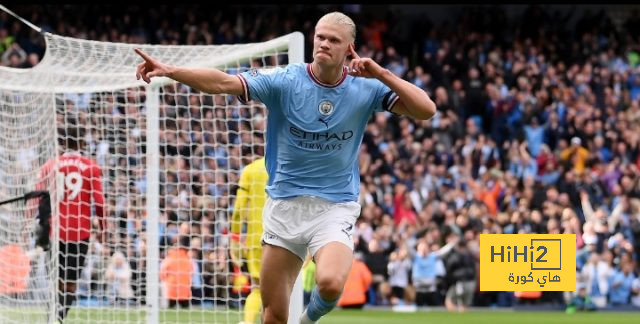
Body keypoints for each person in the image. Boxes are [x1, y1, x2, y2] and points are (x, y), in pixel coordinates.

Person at [134, 11, 436, 324]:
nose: (323, 44)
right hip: (284, 207)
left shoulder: (365, 88)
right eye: (320, 37)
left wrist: (382, 74)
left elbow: (426, 110)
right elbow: (223, 83)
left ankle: (307, 320)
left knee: (331, 283)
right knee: (273, 317)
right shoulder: (286, 80)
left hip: (333, 207)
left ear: (350, 49)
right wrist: (170, 70)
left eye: (333, 40)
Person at [39, 126, 107, 323]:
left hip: (55, 231)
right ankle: (59, 319)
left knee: (55, 281)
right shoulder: (91, 166)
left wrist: (32, 224)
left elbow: (38, 198)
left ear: (61, 142)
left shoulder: (50, 165)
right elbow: (100, 202)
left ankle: (52, 317)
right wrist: (103, 229)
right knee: (70, 283)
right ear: (83, 143)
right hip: (80, 232)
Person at [230, 156, 268, 324]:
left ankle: (248, 322)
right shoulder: (293, 166)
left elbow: (239, 208)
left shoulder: (251, 170)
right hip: (287, 238)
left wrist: (235, 237)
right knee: (284, 289)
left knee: (258, 288)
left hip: (257, 238)